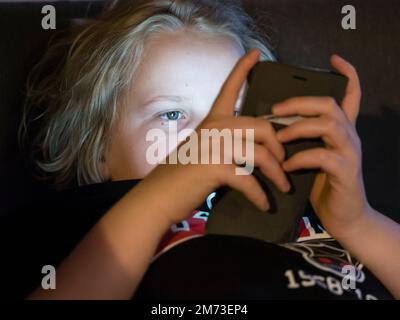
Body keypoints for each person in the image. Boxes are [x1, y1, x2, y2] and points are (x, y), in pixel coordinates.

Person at [13, 0, 399, 299]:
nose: (213, 137)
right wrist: (157, 202)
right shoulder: (94, 231)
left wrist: (358, 222)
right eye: (172, 114)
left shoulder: (323, 211)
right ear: (98, 151)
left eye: (235, 113)